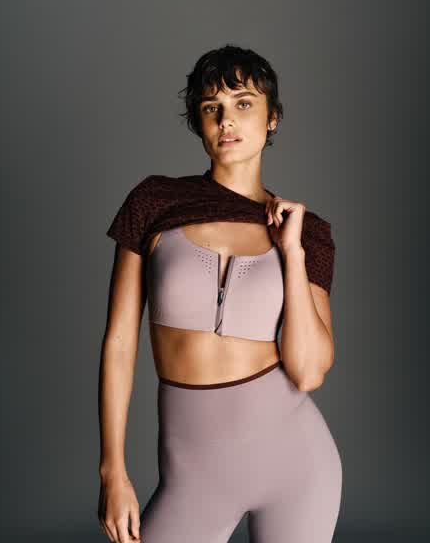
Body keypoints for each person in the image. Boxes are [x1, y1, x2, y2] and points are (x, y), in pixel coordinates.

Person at [98, 44, 342, 543]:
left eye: (243, 103)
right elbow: (120, 344)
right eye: (212, 107)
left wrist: (292, 252)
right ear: (200, 122)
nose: (226, 119)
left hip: (298, 465)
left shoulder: (307, 231)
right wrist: (112, 470)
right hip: (194, 476)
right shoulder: (155, 201)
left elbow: (309, 370)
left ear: (272, 118)